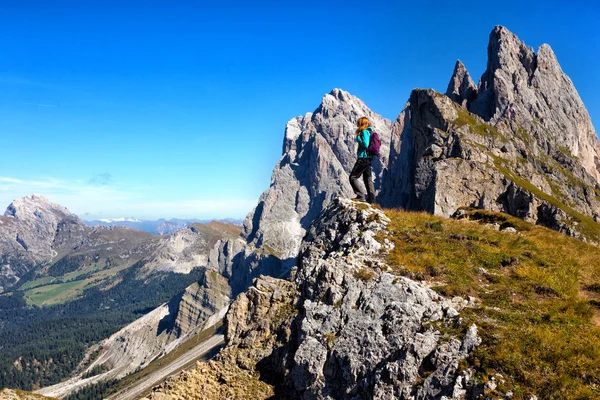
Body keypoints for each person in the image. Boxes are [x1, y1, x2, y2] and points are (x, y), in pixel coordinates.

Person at [349, 117, 375, 203]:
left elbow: (365, 144)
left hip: (363, 158)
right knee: (367, 179)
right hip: (368, 159)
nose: (357, 125)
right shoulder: (370, 132)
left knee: (353, 177)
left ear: (361, 124)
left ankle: (360, 196)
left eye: (358, 123)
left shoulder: (364, 132)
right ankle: (372, 200)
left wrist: (358, 138)